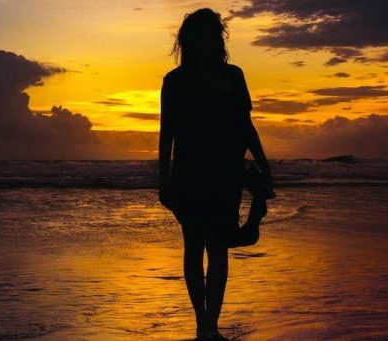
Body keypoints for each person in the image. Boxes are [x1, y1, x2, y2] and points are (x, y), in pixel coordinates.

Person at [157, 8, 272, 340]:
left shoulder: (234, 76)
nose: (209, 40)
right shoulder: (174, 81)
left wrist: (263, 162)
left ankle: (211, 326)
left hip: (226, 172)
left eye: (213, 33)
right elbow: (168, 134)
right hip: (190, 173)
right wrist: (163, 179)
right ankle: (201, 322)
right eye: (202, 34)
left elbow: (245, 126)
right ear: (189, 39)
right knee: (194, 246)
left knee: (218, 247)